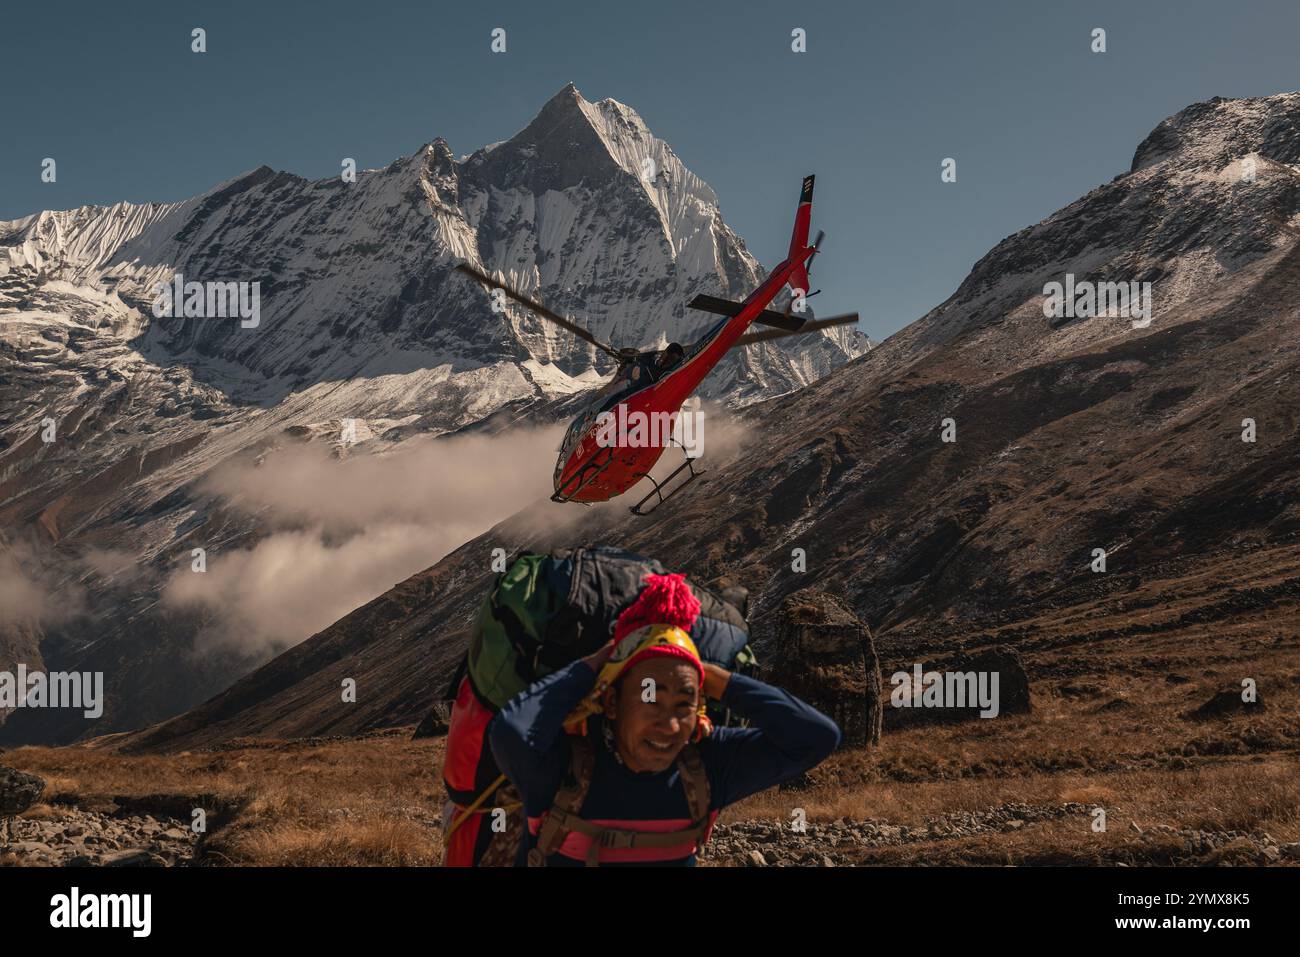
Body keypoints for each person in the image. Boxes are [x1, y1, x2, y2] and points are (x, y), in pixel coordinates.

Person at [488, 573, 841, 866]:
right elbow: (510, 732)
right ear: (611, 703)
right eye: (650, 697)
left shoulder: (704, 764)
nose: (669, 726)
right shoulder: (564, 765)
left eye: (684, 703)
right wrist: (600, 663)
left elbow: (816, 737)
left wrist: (707, 675)